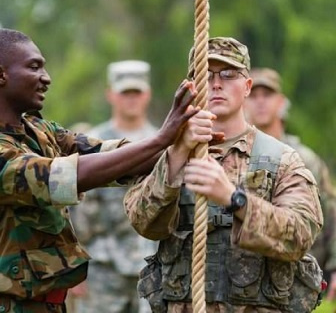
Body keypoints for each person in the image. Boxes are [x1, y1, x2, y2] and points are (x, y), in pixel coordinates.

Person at [0, 28, 199, 312]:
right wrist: (163, 138)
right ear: (0, 75)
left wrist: (184, 145)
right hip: (12, 306)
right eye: (34, 67)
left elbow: (108, 154)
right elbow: (65, 177)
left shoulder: (39, 130)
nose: (46, 78)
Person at [125, 37, 324, 313]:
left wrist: (234, 199)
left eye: (229, 75)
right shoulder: (167, 155)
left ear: (247, 87)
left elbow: (300, 236)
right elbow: (143, 222)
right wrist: (179, 152)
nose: (216, 84)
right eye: (205, 76)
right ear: (192, 89)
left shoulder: (281, 159)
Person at [71, 60, 157, 313]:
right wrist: (75, 265)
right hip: (101, 270)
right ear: (111, 94)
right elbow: (73, 210)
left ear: (147, 94)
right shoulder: (91, 144)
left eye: (137, 92)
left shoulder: (162, 140)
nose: (131, 99)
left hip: (151, 266)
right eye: (124, 93)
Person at [245, 67, 336, 297]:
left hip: (299, 280)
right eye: (253, 96)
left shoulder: (305, 159)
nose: (260, 102)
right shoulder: (239, 157)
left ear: (281, 102)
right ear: (243, 102)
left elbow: (332, 214)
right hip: (248, 283)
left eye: (267, 95)